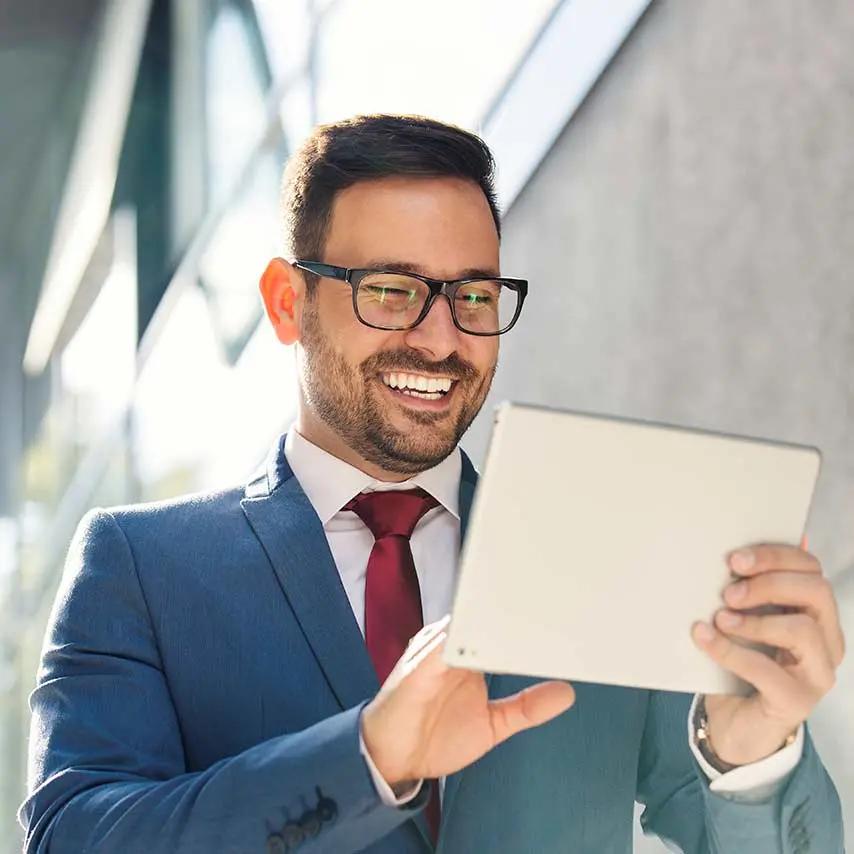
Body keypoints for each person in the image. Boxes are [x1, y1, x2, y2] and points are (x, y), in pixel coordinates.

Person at [20, 114, 845, 854]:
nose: (442, 339)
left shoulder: (603, 556)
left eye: (474, 295)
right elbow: (75, 840)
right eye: (392, 291)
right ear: (286, 303)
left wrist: (753, 755)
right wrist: (367, 758)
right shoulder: (140, 567)